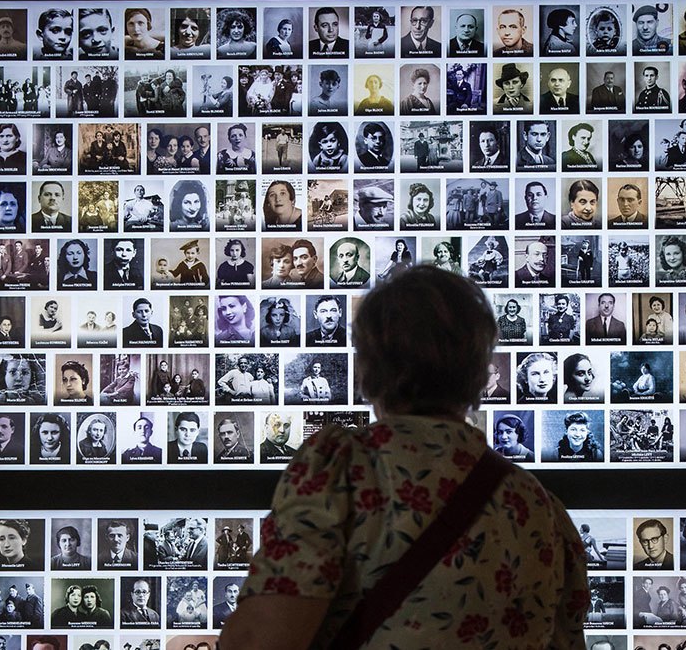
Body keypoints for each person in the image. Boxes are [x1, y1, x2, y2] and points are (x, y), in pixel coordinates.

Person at [225, 275, 592, 650]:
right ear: (481, 373)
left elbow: (262, 639)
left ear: (365, 372)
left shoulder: (337, 471)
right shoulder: (539, 506)